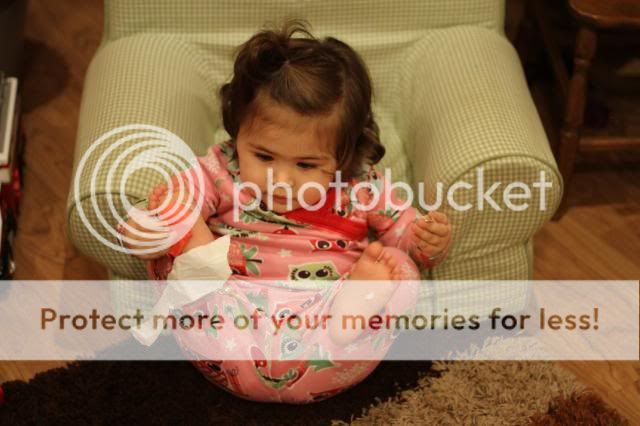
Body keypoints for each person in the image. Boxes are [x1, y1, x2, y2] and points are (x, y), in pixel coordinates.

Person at [119, 20, 452, 403]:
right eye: (263, 156)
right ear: (237, 133)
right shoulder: (220, 170)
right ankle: (196, 249)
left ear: (345, 154)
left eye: (306, 165)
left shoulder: (360, 185)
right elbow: (176, 201)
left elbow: (405, 236)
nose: (280, 179)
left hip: (327, 337)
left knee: (399, 268)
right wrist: (152, 230)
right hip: (232, 325)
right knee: (177, 230)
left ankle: (355, 307)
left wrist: (425, 240)